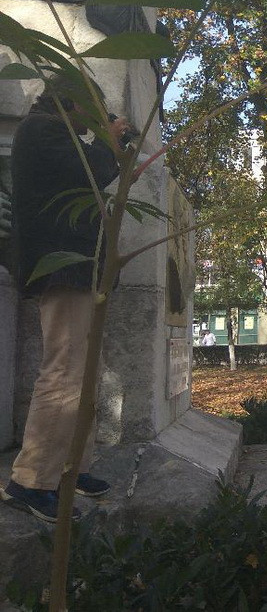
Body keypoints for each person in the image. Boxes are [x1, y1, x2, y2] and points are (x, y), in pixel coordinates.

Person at [2, 92, 130, 522]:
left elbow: (94, 177)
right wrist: (108, 140)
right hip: (64, 268)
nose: (97, 118)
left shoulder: (54, 134)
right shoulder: (42, 130)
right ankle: (31, 480)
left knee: (86, 371)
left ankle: (70, 468)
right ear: (70, 101)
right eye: (93, 108)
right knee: (65, 371)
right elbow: (90, 171)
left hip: (81, 270)